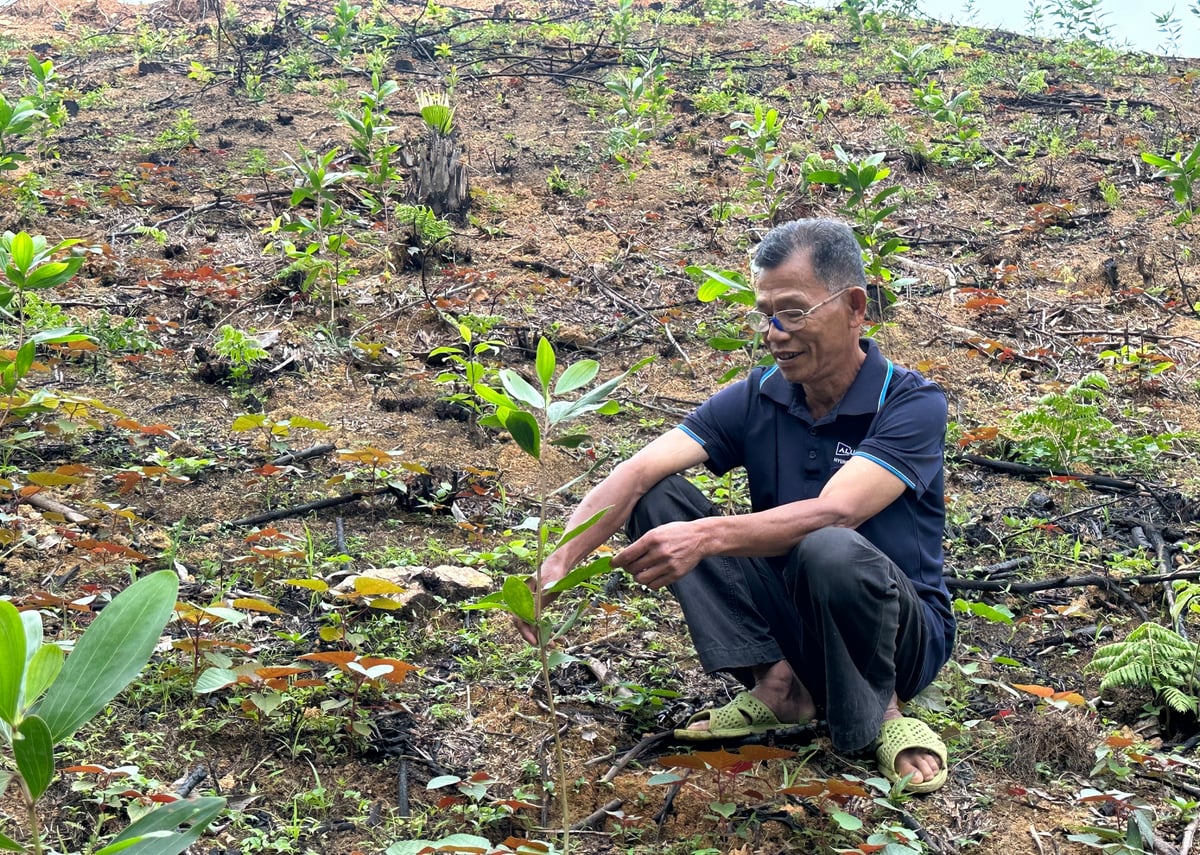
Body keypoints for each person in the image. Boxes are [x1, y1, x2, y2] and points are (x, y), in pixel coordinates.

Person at [515, 218, 955, 793]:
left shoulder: (911, 403)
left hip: (902, 633)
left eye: (793, 312)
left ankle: (886, 710)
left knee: (830, 547)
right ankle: (781, 685)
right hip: (795, 616)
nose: (774, 332)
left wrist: (704, 536)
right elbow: (637, 470)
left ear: (854, 307)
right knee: (657, 495)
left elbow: (836, 513)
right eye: (766, 313)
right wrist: (557, 565)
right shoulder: (759, 394)